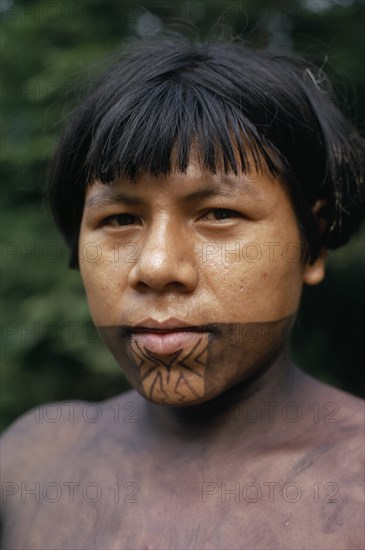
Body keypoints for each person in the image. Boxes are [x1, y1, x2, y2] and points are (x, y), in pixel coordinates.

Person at [1, 35, 364, 549]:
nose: (156, 266)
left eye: (219, 214)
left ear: (315, 243)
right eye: (120, 218)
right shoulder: (30, 463)